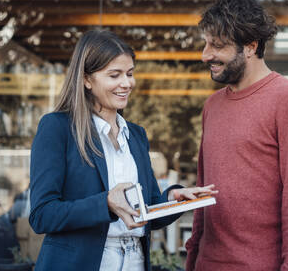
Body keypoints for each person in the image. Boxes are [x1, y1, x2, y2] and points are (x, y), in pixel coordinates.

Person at [29, 30, 216, 271]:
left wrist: (172, 200)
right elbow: (42, 215)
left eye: (129, 74)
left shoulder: (136, 135)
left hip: (134, 260)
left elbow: (145, 211)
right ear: (87, 79)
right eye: (114, 75)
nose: (126, 83)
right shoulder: (58, 128)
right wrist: (105, 203)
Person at [185, 0, 288, 271]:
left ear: (250, 46)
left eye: (217, 46)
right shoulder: (212, 105)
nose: (205, 55)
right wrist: (192, 259)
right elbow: (203, 191)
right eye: (206, 44)